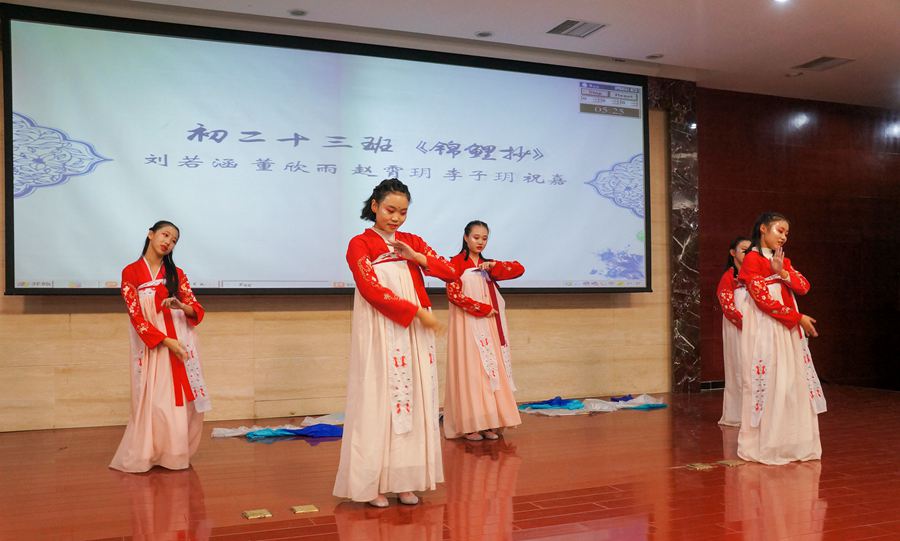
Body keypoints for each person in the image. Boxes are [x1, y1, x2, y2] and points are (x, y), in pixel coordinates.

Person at [333, 179, 457, 507]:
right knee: (378, 398)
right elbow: (370, 288)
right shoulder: (360, 243)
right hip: (381, 326)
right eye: (390, 210)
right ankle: (372, 482)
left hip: (415, 329)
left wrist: (417, 257)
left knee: (414, 398)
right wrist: (415, 312)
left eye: (403, 212)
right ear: (375, 206)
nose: (396, 218)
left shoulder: (412, 241)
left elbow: (450, 272)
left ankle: (405, 480)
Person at [110, 220, 210, 473]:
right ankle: (147, 453)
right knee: (154, 401)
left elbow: (197, 310)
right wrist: (166, 341)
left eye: (174, 240)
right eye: (165, 235)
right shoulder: (131, 272)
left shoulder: (177, 274)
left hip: (181, 342)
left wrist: (180, 305)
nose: (168, 242)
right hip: (153, 345)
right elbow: (136, 317)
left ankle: (174, 454)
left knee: (177, 402)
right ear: (150, 234)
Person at [737, 212, 826, 465]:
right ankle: (766, 443)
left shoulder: (781, 260)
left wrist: (783, 273)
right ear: (763, 229)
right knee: (771, 380)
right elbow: (762, 299)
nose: (784, 237)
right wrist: (797, 317)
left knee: (791, 381)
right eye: (779, 230)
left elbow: (804, 286)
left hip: (786, 326)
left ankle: (791, 442)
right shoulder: (752, 259)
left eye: (787, 233)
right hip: (767, 327)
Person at [443, 221, 524, 441]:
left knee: (490, 372)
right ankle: (470, 425)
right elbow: (454, 295)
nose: (480, 242)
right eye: (476, 237)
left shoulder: (488, 264)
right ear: (466, 237)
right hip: (467, 323)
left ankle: (489, 422)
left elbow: (519, 269)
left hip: (488, 326)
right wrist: (482, 308)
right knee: (471, 371)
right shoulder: (455, 263)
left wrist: (494, 266)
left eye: (484, 238)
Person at [717, 236, 751, 427]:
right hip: (737, 328)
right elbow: (728, 307)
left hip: (755, 329)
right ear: (733, 253)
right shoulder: (728, 277)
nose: (748, 254)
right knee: (739, 367)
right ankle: (739, 414)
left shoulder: (757, 275)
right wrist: (746, 325)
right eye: (744, 250)